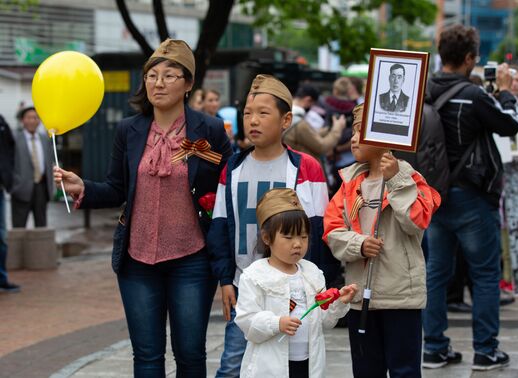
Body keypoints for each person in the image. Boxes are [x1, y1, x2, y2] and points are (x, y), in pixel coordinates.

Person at [53, 39, 233, 377]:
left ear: (189, 84)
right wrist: (83, 188)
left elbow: (226, 187)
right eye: (151, 75)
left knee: (191, 354)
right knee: (147, 357)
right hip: (137, 261)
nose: (158, 83)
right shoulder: (130, 130)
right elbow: (117, 189)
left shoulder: (207, 131)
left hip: (192, 259)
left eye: (169, 75)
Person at [208, 74, 339, 377]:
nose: (253, 121)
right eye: (248, 114)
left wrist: (316, 285)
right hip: (246, 287)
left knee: (290, 365)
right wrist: (226, 279)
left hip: (293, 288)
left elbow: (318, 231)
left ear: (286, 120)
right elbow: (220, 225)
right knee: (232, 365)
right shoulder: (233, 168)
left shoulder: (305, 167)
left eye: (263, 113)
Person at [422, 24, 518, 371]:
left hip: (433, 194)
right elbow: (510, 124)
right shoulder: (473, 95)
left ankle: (433, 348)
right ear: (468, 58)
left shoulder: (423, 89)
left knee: (435, 272)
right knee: (483, 274)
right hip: (472, 196)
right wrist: (507, 92)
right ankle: (486, 350)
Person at [323, 103, 440, 377]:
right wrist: (358, 244)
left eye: (360, 131)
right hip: (359, 295)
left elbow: (416, 221)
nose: (352, 138)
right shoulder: (349, 183)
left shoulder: (409, 178)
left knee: (405, 370)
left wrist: (397, 180)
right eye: (352, 131)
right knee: (365, 370)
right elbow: (331, 230)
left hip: (401, 297)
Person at [235, 187, 357, 378]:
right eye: (289, 237)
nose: (298, 243)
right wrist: (277, 323)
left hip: (309, 366)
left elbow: (324, 322)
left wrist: (339, 302)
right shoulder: (254, 276)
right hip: (270, 368)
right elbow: (247, 321)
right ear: (267, 238)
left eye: (303, 236)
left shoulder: (312, 272)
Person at [11, 106, 54, 228]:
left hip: (41, 188)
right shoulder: (14, 139)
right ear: (22, 120)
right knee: (19, 227)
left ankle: (40, 248)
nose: (32, 121)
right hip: (21, 189)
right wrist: (14, 185)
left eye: (35, 118)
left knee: (41, 227)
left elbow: (49, 162)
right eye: (29, 117)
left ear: (39, 120)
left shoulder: (45, 139)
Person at [283, 85, 346, 161]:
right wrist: (337, 128)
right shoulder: (298, 123)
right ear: (308, 100)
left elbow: (305, 138)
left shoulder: (284, 115)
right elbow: (321, 146)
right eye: (312, 104)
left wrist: (326, 130)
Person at [0, 114, 20, 293]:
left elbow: (10, 150)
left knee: (2, 237)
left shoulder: (2, 123)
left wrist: (8, 176)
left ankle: (2, 278)